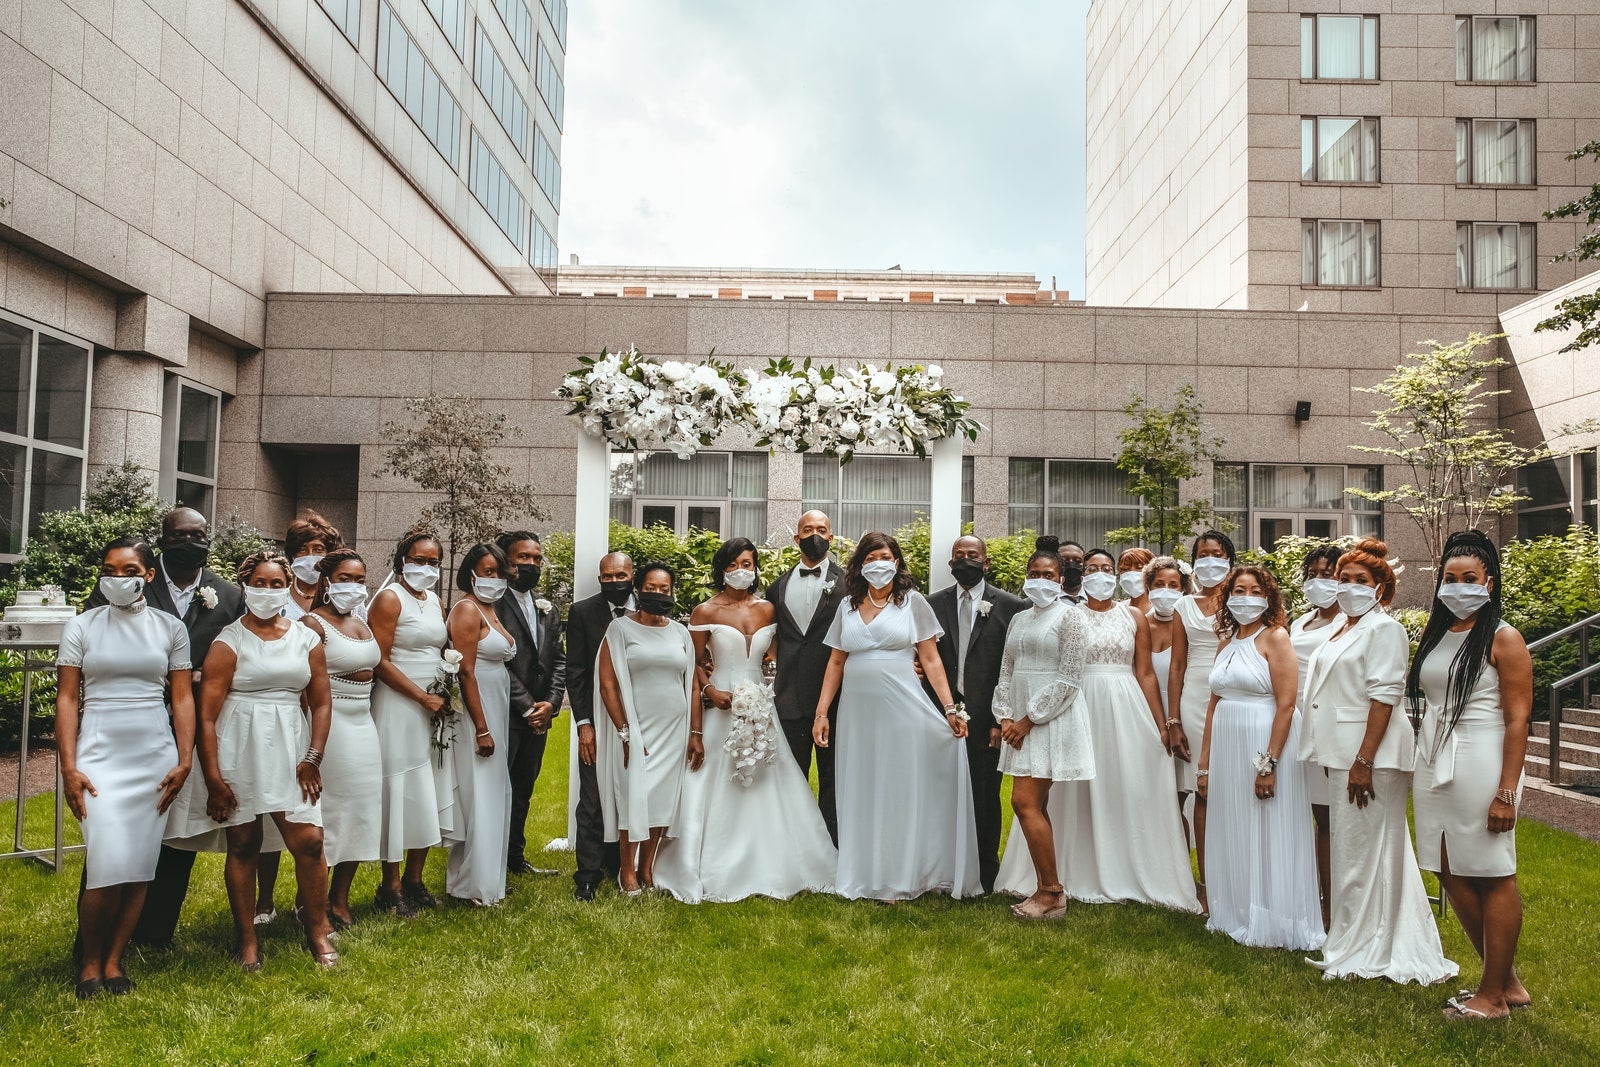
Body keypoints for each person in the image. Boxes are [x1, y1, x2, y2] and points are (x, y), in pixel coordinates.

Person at [163, 551, 338, 970]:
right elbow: (206, 717)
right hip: (238, 745)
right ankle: (247, 940)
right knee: (243, 844)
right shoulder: (229, 641)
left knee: (310, 842)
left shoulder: (307, 638)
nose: (268, 591)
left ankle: (317, 930)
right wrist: (215, 779)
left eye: (276, 583)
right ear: (245, 586)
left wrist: (313, 756)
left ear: (289, 586)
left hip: (292, 746)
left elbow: (322, 699)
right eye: (259, 583)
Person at [80, 507, 244, 951]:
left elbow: (241, 652)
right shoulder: (130, 582)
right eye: (181, 535)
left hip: (193, 728)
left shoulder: (228, 595)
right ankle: (93, 940)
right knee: (110, 837)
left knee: (175, 837)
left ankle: (154, 934)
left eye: (200, 534)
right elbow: (95, 643)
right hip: (124, 728)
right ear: (163, 540)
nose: (192, 541)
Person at [1299, 539, 1457, 985]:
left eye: (1360, 581)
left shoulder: (1383, 629)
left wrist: (1362, 760)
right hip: (1341, 753)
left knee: (1365, 853)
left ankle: (1371, 942)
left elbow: (1384, 696)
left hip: (1370, 758)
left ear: (1381, 588)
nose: (1348, 587)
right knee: (1355, 850)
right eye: (1343, 579)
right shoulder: (1343, 628)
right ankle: (1356, 934)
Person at [654, 539, 837, 903]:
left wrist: (768, 669)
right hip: (721, 706)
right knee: (717, 783)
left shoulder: (768, 609)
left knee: (770, 779)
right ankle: (710, 864)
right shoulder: (704, 612)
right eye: (736, 563)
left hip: (760, 705)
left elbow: (778, 652)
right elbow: (691, 665)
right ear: (723, 568)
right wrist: (709, 691)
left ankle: (778, 861)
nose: (743, 570)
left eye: (749, 563)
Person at [58, 537, 195, 998]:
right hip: (98, 755)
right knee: (104, 861)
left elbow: (181, 699)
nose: (118, 578)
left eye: (129, 570)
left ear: (148, 575)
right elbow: (68, 698)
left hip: (153, 756)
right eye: (110, 569)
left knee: (138, 866)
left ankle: (115, 961)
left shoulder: (171, 628)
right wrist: (68, 767)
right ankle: (89, 962)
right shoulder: (82, 626)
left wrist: (185, 757)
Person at [814, 532, 981, 901]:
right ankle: (866, 870)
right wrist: (822, 712)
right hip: (858, 713)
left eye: (886, 556)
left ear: (897, 562)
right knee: (863, 785)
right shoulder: (848, 605)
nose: (879, 563)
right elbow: (836, 661)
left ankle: (908, 870)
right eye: (872, 556)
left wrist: (950, 708)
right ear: (861, 564)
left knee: (901, 785)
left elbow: (931, 659)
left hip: (903, 707)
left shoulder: (913, 603)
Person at [1409, 531, 1533, 1021]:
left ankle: (1492, 996)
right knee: (1444, 862)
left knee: (1492, 870)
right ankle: (1507, 982)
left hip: (1482, 758)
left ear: (1489, 582)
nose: (1457, 586)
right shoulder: (1439, 632)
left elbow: (1518, 719)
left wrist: (1506, 792)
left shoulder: (1504, 636)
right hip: (1435, 755)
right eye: (1449, 578)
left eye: (1469, 579)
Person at [1057, 549, 1199, 912]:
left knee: (1130, 782)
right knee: (1077, 786)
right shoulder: (1068, 615)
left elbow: (1146, 672)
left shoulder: (1132, 614)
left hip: (1125, 705)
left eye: (1107, 568)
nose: (1100, 574)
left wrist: (1164, 724)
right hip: (1079, 702)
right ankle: (1077, 865)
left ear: (1116, 575)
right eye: (1093, 569)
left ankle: (1128, 862)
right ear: (1082, 574)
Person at [1198, 564, 1323, 951]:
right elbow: (1213, 707)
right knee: (1234, 823)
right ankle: (1235, 911)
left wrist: (1268, 764)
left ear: (1267, 598)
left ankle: (1274, 916)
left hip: (1263, 741)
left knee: (1268, 824)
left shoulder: (1276, 637)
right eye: (1238, 589)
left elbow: (1286, 706)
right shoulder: (1227, 641)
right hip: (1226, 744)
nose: (1245, 597)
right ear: (1227, 595)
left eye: (1254, 591)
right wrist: (1204, 765)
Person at [990, 550, 1092, 919]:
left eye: (1048, 574)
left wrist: (1029, 720)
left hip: (1051, 719)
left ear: (1061, 578)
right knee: (1035, 804)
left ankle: (1052, 892)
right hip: (1017, 721)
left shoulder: (1072, 617)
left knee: (1023, 802)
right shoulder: (1018, 619)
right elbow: (1006, 670)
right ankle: (1045, 888)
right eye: (1034, 572)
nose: (1040, 580)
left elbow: (1069, 678)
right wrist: (1004, 716)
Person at [922, 535, 1025, 893]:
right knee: (940, 794)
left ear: (986, 562)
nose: (965, 560)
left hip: (988, 718)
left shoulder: (1012, 607)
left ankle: (984, 871)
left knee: (985, 796)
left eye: (972, 555)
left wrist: (1000, 720)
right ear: (950, 562)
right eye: (958, 555)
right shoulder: (931, 604)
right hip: (940, 714)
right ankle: (943, 866)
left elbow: (1013, 668)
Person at [255, 512, 344, 924]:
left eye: (319, 551)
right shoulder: (272, 595)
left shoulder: (337, 598)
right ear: (290, 558)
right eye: (303, 551)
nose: (311, 557)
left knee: (312, 812)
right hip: (282, 715)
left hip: (327, 715)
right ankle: (264, 899)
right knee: (272, 807)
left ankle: (308, 899)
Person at [595, 562, 699, 894]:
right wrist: (625, 732)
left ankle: (647, 869)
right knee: (634, 798)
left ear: (672, 592)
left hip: (674, 729)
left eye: (664, 589)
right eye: (651, 588)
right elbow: (608, 686)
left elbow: (693, 684)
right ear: (638, 590)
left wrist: (695, 732)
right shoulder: (620, 630)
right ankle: (626, 871)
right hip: (637, 729)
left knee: (662, 801)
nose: (658, 594)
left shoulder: (681, 632)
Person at [367, 528, 450, 916]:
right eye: (419, 560)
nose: (427, 568)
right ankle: (391, 883)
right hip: (400, 703)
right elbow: (378, 660)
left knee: (428, 786)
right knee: (400, 787)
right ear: (403, 561)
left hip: (434, 704)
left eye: (434, 562)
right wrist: (422, 697)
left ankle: (416, 879)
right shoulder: (388, 598)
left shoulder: (434, 599)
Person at [297, 549, 382, 930]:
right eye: (345, 578)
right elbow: (303, 686)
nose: (354, 586)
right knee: (331, 815)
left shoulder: (363, 622)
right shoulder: (312, 624)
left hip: (365, 722)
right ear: (327, 581)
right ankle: (311, 901)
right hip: (332, 724)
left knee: (363, 812)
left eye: (360, 579)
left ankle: (341, 896)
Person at [442, 543, 518, 906]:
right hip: (478, 713)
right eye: (488, 572)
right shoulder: (467, 610)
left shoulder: (491, 608)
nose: (495, 578)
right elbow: (466, 671)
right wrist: (482, 728)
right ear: (471, 573)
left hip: (496, 705)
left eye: (500, 572)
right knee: (480, 794)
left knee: (494, 792)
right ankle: (472, 885)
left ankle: (483, 879)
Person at [769, 510, 849, 843]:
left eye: (821, 529)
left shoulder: (850, 584)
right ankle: (794, 845)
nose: (813, 534)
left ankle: (833, 847)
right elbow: (773, 637)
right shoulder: (776, 587)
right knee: (790, 778)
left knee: (834, 780)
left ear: (831, 537)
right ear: (796, 537)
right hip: (789, 698)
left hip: (839, 699)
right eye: (807, 529)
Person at [1170, 529, 1236, 904]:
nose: (1210, 560)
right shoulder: (1183, 606)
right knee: (1202, 791)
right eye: (1203, 554)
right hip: (1194, 700)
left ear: (1229, 558)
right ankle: (1207, 883)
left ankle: (1236, 874)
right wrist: (1174, 719)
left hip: (1236, 698)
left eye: (1217, 553)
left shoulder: (1244, 598)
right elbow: (1176, 665)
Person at [494, 531, 565, 879]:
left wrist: (551, 703)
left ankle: (514, 858)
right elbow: (496, 663)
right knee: (499, 788)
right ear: (507, 560)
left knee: (524, 787)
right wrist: (526, 705)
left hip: (540, 715)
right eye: (524, 557)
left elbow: (558, 660)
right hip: (506, 712)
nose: (532, 564)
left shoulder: (547, 608)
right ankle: (489, 859)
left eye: (537, 558)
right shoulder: (492, 603)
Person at [564, 551, 632, 900]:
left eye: (621, 576)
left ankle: (624, 865)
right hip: (597, 717)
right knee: (591, 796)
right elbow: (574, 673)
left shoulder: (649, 609)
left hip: (639, 716)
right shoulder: (582, 612)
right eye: (607, 577)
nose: (614, 582)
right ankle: (587, 876)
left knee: (632, 790)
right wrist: (584, 723)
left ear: (632, 575)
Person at [1289, 542, 1346, 928]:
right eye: (1313, 574)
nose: (1319, 581)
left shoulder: (1350, 622)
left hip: (1334, 730)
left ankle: (1336, 907)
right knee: (1316, 819)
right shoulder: (1300, 622)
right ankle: (1319, 899)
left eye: (1327, 574)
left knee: (1335, 821)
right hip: (1300, 729)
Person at [1116, 548, 1153, 613]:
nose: (1132, 573)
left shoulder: (1161, 610)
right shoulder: (1118, 610)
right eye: (1125, 569)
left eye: (1139, 568)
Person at [1055, 538, 1087, 605]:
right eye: (1064, 560)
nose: (1071, 564)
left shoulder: (1096, 597)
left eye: (1078, 561)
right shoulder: (1043, 600)